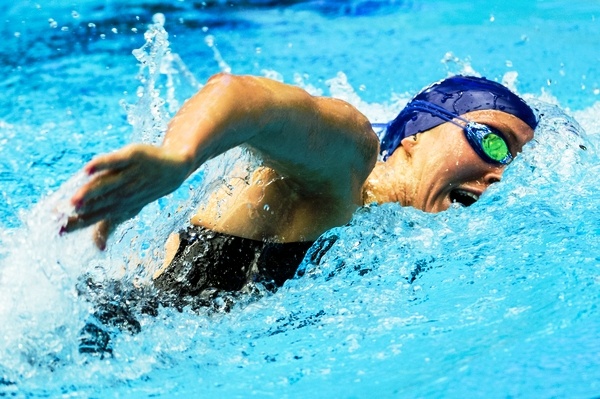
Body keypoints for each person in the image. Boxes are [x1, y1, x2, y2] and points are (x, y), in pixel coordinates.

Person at [65, 73, 537, 305]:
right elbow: (244, 97)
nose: (499, 173)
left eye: (513, 163)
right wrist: (179, 158)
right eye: (493, 141)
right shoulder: (349, 164)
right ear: (414, 135)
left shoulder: (390, 222)